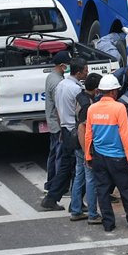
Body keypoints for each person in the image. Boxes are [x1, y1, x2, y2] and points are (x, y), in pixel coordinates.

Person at [84, 74, 128, 232]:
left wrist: (88, 156)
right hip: (118, 157)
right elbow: (125, 134)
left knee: (102, 191)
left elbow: (88, 134)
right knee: (127, 190)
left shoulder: (92, 109)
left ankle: (108, 223)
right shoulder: (119, 108)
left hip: (98, 156)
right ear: (112, 92)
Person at [41, 57, 89, 211]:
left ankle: (52, 197)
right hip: (74, 131)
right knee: (79, 168)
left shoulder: (61, 85)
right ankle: (76, 203)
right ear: (79, 72)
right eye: (86, 71)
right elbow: (78, 114)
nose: (87, 73)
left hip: (65, 130)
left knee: (65, 167)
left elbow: (57, 109)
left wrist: (61, 128)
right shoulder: (76, 90)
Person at [69, 72, 102, 224]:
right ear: (96, 89)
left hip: (76, 141)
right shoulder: (88, 105)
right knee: (90, 179)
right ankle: (93, 214)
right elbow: (83, 128)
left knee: (79, 177)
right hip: (84, 144)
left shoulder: (80, 96)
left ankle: (76, 210)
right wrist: (88, 152)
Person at [43, 50, 69, 192]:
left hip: (52, 123)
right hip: (57, 125)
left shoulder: (51, 77)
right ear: (62, 65)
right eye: (67, 65)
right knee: (60, 156)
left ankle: (51, 183)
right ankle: (58, 187)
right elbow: (59, 108)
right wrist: (62, 128)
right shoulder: (58, 82)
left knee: (53, 155)